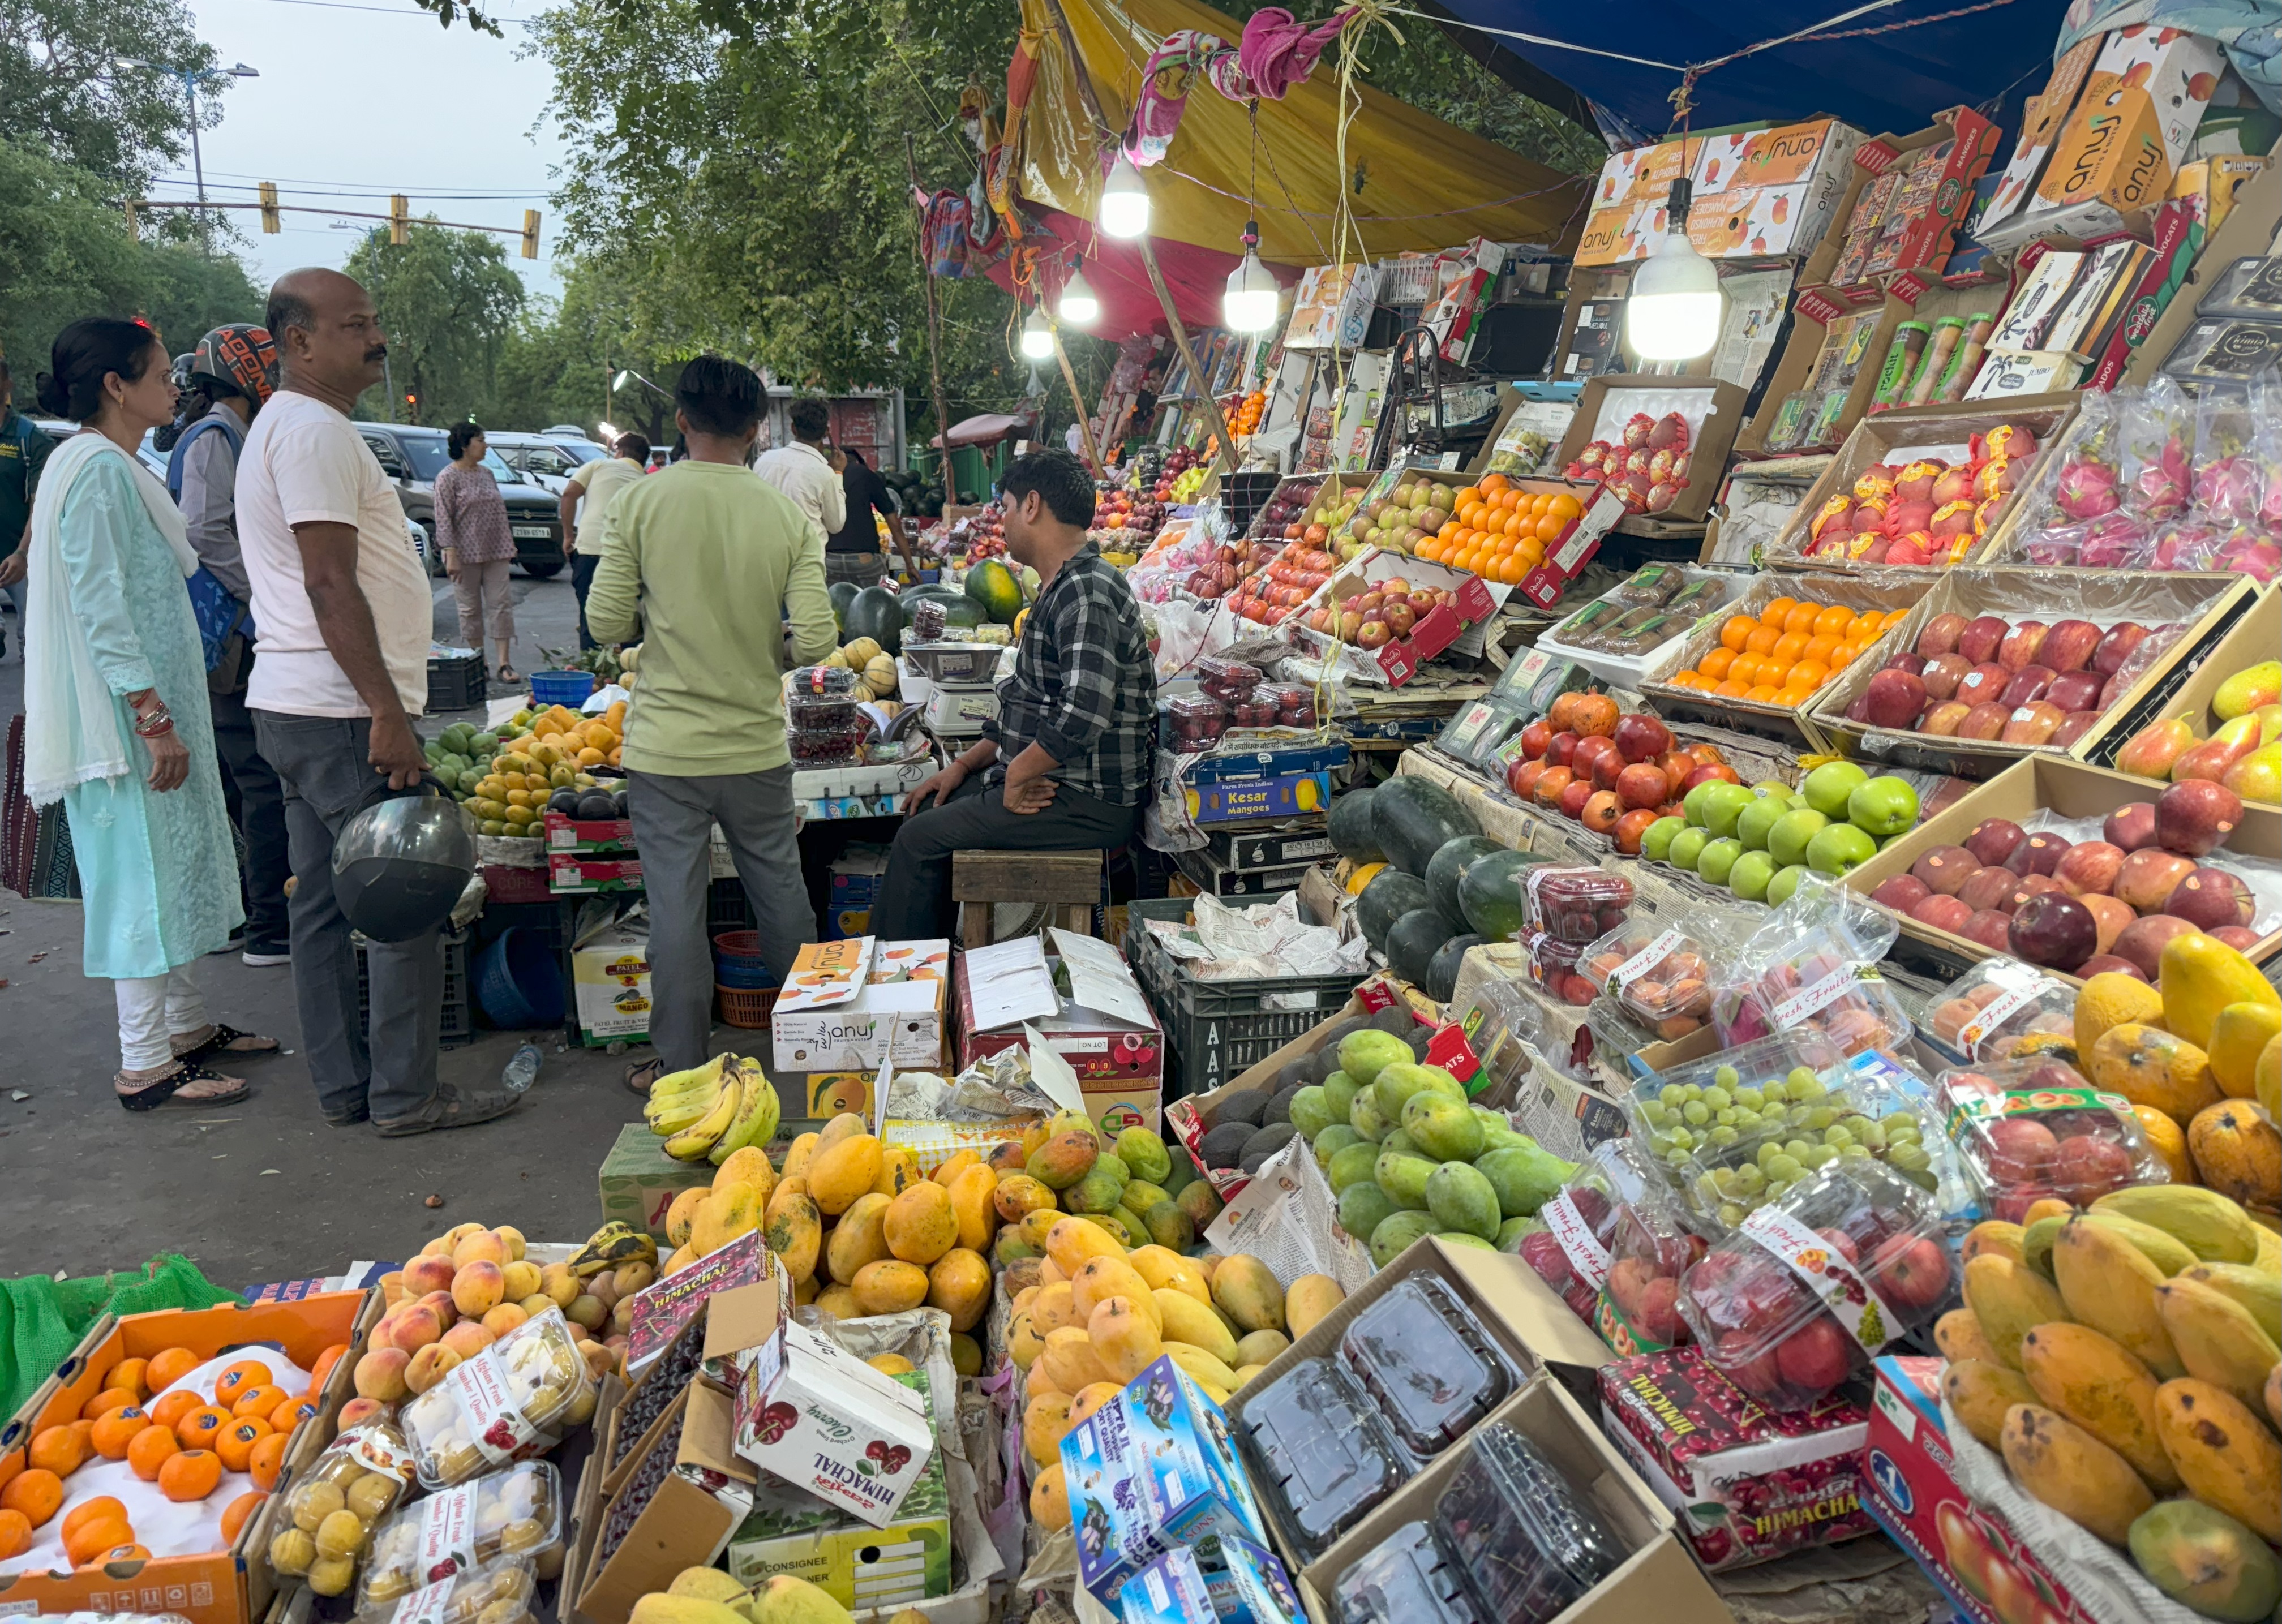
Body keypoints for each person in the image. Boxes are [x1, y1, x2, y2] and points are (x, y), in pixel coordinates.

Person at [238, 267, 518, 1137]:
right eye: (355, 324)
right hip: (339, 710)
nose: (376, 336)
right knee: (404, 896)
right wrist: (388, 712)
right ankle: (406, 1093)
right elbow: (329, 582)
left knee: (323, 903)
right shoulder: (314, 430)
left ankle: (345, 1084)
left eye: (373, 319)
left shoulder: (290, 425)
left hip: (296, 704)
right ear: (299, 342)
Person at [22, 317, 278, 1109]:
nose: (177, 387)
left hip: (156, 708)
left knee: (174, 871)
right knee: (140, 880)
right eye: (164, 375)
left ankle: (185, 1027)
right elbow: (100, 602)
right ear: (116, 385)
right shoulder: (94, 469)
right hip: (128, 720)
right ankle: (144, 1063)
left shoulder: (111, 464)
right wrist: (150, 713)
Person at [586, 355, 837, 1092]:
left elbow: (604, 621)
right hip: (756, 745)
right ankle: (818, 1048)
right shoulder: (784, 514)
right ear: (758, 429)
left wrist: (655, 622)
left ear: (685, 423)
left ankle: (684, 1067)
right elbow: (819, 640)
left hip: (665, 751)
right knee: (784, 898)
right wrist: (772, 642)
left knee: (675, 910)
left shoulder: (641, 502)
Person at [873, 449, 1155, 939]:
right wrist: (962, 767)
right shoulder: (1060, 586)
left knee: (919, 841)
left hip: (1086, 800)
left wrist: (1019, 772)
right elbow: (1027, 705)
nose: (1001, 520)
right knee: (929, 809)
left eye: (1004, 507)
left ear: (1031, 505)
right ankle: (936, 974)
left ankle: (903, 991)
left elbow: (1082, 714)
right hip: (1060, 782)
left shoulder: (1086, 591)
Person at [168, 323, 293, 966]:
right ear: (250, 375)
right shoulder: (215, 440)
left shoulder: (235, 435)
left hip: (238, 636)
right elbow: (207, 533)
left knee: (245, 781)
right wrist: (267, 593)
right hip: (228, 642)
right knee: (260, 779)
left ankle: (244, 914)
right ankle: (268, 925)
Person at [432, 421, 519, 682]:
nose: (485, 445)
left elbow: (499, 512)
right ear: (464, 445)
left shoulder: (487, 474)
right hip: (464, 553)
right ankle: (476, 660)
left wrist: (508, 545)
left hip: (496, 550)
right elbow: (443, 518)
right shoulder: (448, 477)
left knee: (501, 606)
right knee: (469, 610)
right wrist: (450, 553)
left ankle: (504, 664)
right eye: (480, 441)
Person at [559, 429, 649, 648]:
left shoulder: (598, 465)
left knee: (589, 613)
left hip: (589, 549)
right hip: (628, 556)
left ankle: (593, 670)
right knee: (630, 614)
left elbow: (569, 494)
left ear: (619, 452)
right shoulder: (646, 481)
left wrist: (568, 536)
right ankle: (630, 672)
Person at [0, 358, 58, 658]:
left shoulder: (30, 438)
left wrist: (22, 553)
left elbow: (41, 504)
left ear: (6, 385)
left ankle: (35, 702)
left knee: (35, 642)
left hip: (19, 558)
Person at [753, 394, 844, 548]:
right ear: (826, 432)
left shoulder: (764, 461)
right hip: (807, 562)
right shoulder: (825, 473)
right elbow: (836, 525)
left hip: (768, 559)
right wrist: (838, 473)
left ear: (793, 428)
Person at [823, 446, 919, 589]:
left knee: (836, 607)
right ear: (857, 461)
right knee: (875, 606)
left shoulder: (824, 476)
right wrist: (910, 566)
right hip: (865, 561)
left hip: (830, 559)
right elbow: (894, 525)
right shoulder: (866, 475)